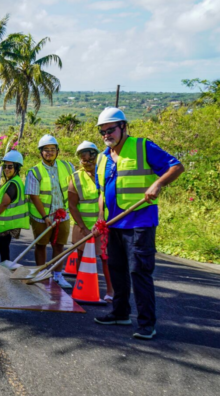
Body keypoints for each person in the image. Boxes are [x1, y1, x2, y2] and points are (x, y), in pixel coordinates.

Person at [93, 108, 184, 340]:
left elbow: (176, 166)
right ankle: (120, 313)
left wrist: (158, 184)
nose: (106, 135)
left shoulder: (143, 146)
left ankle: (146, 324)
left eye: (110, 129)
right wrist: (100, 218)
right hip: (113, 225)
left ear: (123, 127)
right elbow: (102, 192)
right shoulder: (102, 158)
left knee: (139, 272)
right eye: (102, 131)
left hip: (139, 222)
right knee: (117, 271)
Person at [25, 134, 75, 288]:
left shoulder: (68, 166)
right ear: (41, 152)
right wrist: (45, 216)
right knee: (41, 245)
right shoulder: (34, 172)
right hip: (42, 216)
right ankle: (42, 274)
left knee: (59, 245)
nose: (49, 152)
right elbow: (34, 196)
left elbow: (74, 188)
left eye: (52, 149)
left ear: (57, 151)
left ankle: (57, 275)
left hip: (62, 214)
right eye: (46, 150)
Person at [68, 141, 113, 302]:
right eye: (84, 159)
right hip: (83, 227)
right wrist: (83, 227)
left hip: (104, 226)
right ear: (80, 160)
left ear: (97, 157)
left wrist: (102, 223)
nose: (87, 163)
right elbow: (72, 206)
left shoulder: (106, 175)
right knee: (82, 257)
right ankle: (81, 288)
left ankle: (110, 291)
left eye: (91, 159)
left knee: (106, 259)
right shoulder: (76, 178)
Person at [0, 150, 29, 262]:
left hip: (5, 224)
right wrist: (0, 187)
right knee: (3, 247)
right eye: (5, 166)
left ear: (17, 168)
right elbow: (7, 192)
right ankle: (4, 268)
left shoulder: (13, 184)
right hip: (7, 223)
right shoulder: (13, 181)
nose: (6, 169)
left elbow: (4, 203)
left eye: (10, 167)